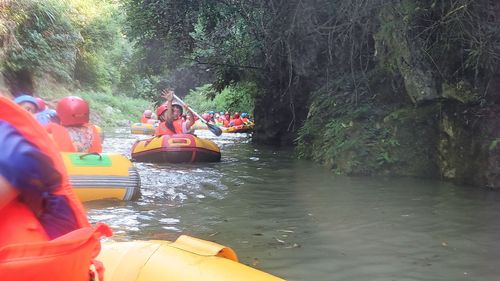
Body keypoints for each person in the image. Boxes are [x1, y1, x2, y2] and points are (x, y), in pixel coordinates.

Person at [0, 96, 111, 281]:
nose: (28, 114)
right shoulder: (90, 130)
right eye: (25, 109)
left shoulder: (47, 132)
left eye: (31, 110)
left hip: (40, 255)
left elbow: (25, 161)